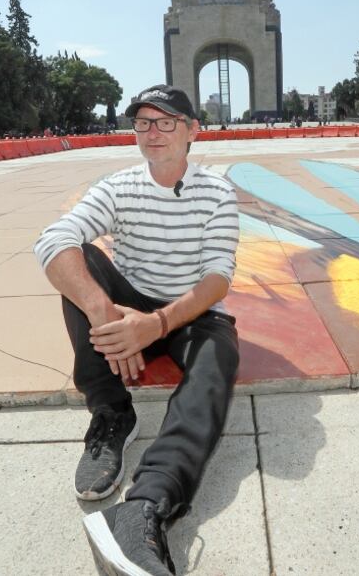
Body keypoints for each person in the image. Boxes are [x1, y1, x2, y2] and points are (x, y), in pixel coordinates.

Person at [34, 84, 240, 576]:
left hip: (187, 312)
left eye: (167, 122)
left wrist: (158, 325)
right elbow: (53, 239)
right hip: (129, 305)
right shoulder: (118, 186)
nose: (153, 132)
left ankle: (145, 505)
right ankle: (111, 415)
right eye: (144, 122)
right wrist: (104, 314)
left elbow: (218, 277)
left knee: (221, 356)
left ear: (193, 131)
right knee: (78, 260)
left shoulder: (218, 192)